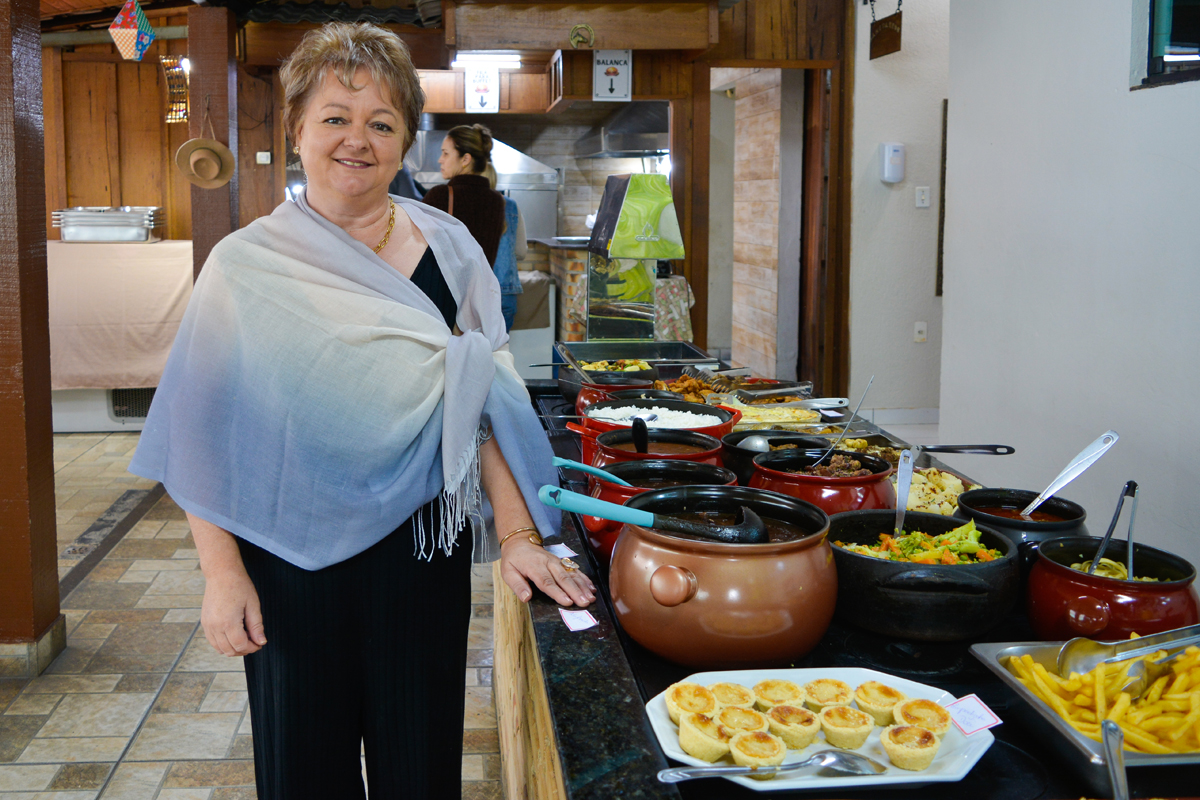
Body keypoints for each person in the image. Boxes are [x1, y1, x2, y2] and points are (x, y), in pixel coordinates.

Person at [129, 22, 593, 800]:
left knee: (420, 763)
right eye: (335, 118)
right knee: (304, 770)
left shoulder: (451, 250)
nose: (357, 140)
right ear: (298, 131)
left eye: (382, 122)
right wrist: (221, 573)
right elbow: (199, 430)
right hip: (289, 556)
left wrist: (517, 537)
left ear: (408, 139)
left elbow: (481, 408)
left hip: (420, 552)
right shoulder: (246, 266)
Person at [422, 125, 507, 268]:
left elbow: (416, 249)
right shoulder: (497, 200)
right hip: (481, 289)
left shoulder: (441, 195)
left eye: (445, 153)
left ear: (465, 159)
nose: (440, 160)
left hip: (444, 289)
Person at [491, 183, 526, 331]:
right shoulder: (511, 205)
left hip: (474, 292)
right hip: (506, 291)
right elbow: (520, 251)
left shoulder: (466, 203)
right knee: (499, 351)